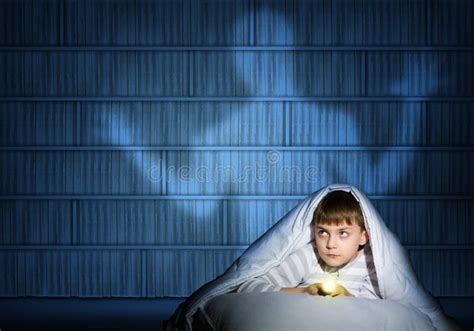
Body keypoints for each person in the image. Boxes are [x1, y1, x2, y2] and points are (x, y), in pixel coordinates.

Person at [236, 190, 381, 299]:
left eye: (343, 233)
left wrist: (347, 297)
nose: (330, 244)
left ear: (363, 237)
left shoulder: (372, 265)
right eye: (323, 232)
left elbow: (375, 312)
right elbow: (247, 287)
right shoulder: (309, 256)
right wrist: (304, 292)